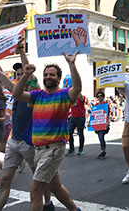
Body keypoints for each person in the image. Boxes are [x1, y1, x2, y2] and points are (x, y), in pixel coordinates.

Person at [13, 51, 81, 211]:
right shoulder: (38, 95)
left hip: (53, 150)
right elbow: (17, 94)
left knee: (35, 190)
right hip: (39, 151)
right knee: (55, 187)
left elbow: (77, 87)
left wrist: (72, 64)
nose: (48, 77)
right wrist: (26, 75)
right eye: (46, 74)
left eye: (52, 74)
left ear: (58, 78)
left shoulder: (64, 95)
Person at [0, 57, 55, 211]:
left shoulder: (35, 92)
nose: (19, 77)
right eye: (17, 74)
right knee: (5, 180)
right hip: (14, 142)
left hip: (31, 144)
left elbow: (31, 75)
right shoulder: (14, 90)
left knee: (39, 179)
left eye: (22, 74)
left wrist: (21, 50)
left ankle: (47, 203)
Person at [93, 91, 110, 160]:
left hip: (104, 124)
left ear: (103, 97)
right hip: (98, 125)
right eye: (98, 96)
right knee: (100, 137)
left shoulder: (106, 105)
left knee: (101, 137)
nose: (99, 97)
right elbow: (93, 115)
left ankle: (103, 151)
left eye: (101, 96)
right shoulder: (96, 105)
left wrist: (108, 121)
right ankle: (103, 150)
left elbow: (108, 114)